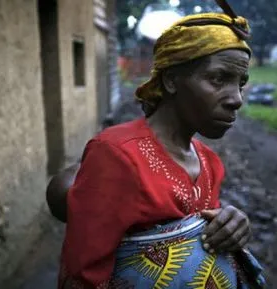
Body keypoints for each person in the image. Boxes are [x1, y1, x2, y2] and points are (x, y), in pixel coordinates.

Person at [54, 2, 265, 288]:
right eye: (219, 79)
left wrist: (230, 224)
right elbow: (82, 274)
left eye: (240, 83)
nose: (236, 98)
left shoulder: (209, 163)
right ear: (171, 80)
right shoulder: (119, 154)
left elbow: (201, 238)